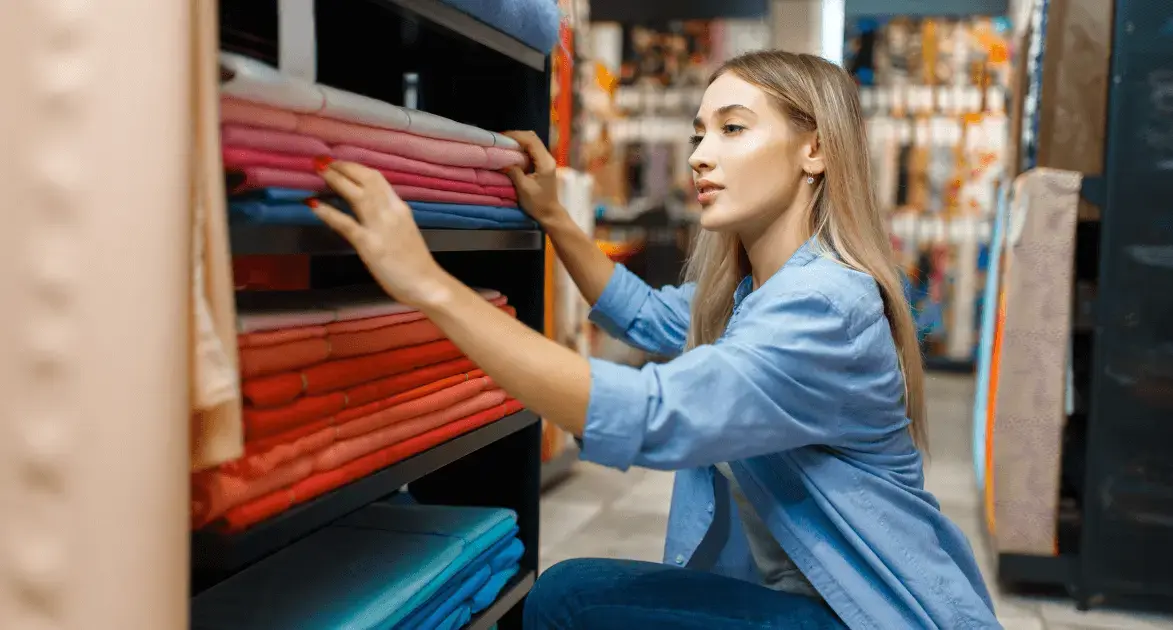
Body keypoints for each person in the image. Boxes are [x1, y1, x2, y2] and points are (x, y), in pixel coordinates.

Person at [307, 50, 1000, 630]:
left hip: (869, 614)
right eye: (699, 133)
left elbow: (651, 414)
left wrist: (426, 283)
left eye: (732, 129)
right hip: (817, 600)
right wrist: (554, 217)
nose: (700, 154)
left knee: (568, 598)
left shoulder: (823, 303)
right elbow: (646, 318)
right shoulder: (758, 292)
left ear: (815, 149)